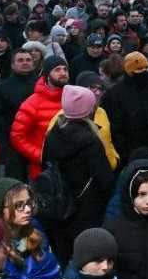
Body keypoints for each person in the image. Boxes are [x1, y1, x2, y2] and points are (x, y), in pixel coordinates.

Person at [40, 86, 115, 265]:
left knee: (63, 256)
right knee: (86, 259)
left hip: (58, 206)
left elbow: (45, 164)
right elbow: (104, 180)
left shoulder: (53, 134)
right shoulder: (90, 141)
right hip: (86, 209)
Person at [11, 55, 69, 180]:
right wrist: (41, 156)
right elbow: (17, 136)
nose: (63, 73)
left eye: (65, 69)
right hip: (42, 173)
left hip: (70, 170)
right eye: (57, 70)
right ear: (47, 74)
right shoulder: (32, 103)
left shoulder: (72, 99)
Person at [99, 52, 148, 164]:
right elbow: (113, 127)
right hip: (127, 152)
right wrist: (125, 152)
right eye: (139, 69)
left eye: (146, 68)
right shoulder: (114, 94)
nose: (144, 72)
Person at [0, 48, 37, 179]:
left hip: (38, 142)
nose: (25, 63)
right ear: (13, 65)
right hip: (12, 145)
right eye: (20, 60)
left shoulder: (42, 84)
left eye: (28, 60)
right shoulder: (3, 87)